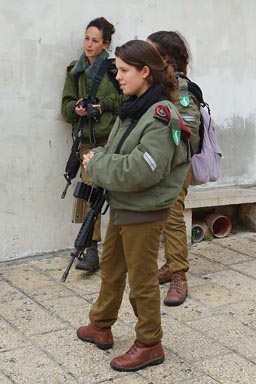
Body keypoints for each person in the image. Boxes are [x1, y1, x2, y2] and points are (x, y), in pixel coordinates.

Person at [76, 40, 191, 372]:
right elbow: (118, 151)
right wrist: (99, 157)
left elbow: (142, 169)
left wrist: (96, 166)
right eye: (118, 71)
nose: (119, 77)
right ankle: (101, 325)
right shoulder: (134, 107)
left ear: (145, 72)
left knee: (141, 282)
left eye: (125, 71)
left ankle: (150, 343)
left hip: (144, 209)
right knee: (111, 270)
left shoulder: (160, 114)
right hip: (124, 204)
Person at [61, 17, 123, 273]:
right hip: (87, 143)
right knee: (89, 193)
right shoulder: (74, 70)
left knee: (118, 195)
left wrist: (103, 105)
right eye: (86, 38)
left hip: (113, 141)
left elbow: (127, 99)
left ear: (105, 43)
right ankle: (92, 249)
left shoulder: (113, 68)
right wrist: (77, 109)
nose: (88, 44)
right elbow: (65, 109)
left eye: (95, 40)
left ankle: (121, 246)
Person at [147, 31, 201, 306]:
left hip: (177, 166)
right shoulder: (156, 86)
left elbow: (190, 131)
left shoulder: (181, 90)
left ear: (165, 58)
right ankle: (170, 264)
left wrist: (168, 128)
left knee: (173, 216)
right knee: (162, 217)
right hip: (158, 164)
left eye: (151, 51)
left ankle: (179, 275)